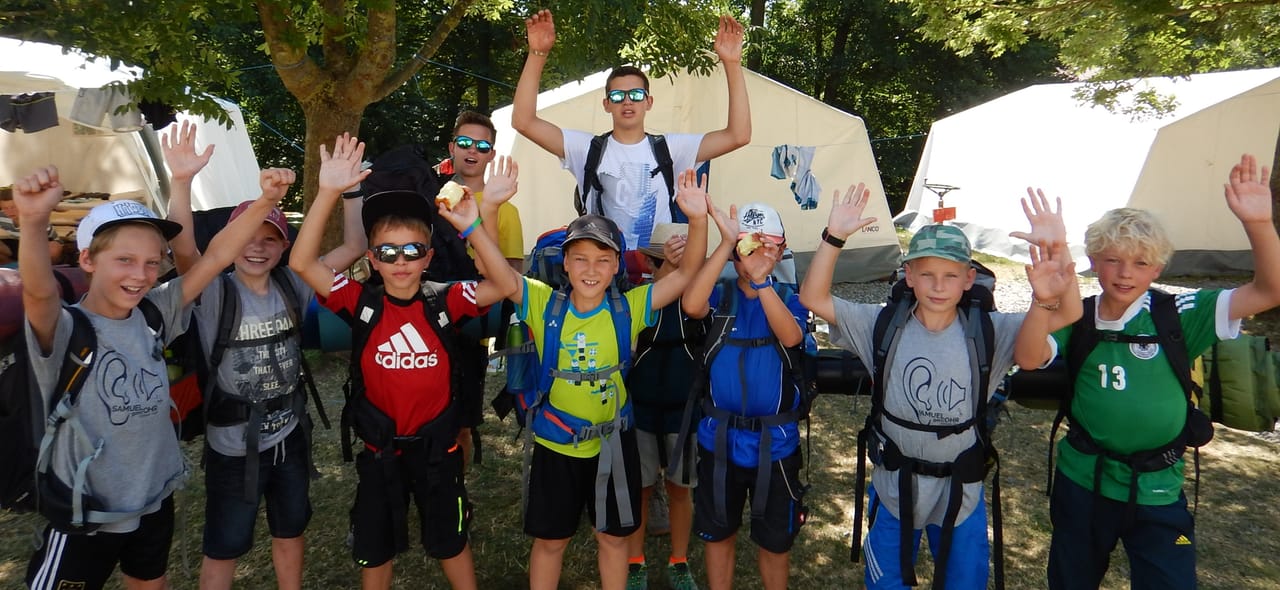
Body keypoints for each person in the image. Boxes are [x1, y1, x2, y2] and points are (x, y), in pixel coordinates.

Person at [1013, 154, 1280, 590]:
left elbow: (1270, 290)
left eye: (1141, 263)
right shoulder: (1078, 316)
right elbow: (1027, 358)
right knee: (1070, 580)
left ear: (1158, 268)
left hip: (1158, 487)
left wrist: (1259, 224)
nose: (1125, 273)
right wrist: (1044, 295)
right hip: (1083, 481)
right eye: (1113, 260)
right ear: (1093, 261)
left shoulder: (1180, 314)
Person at [16, 164, 288, 590]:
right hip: (86, 512)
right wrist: (33, 222)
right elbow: (38, 292)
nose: (140, 275)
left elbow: (216, 257)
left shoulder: (155, 312)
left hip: (153, 500)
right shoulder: (66, 329)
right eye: (124, 260)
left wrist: (267, 202)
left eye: (151, 262)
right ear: (87, 259)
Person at [800, 184, 1081, 589]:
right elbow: (813, 297)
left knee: (963, 582)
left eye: (950, 275)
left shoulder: (991, 332)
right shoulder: (880, 324)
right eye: (926, 274)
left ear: (969, 279)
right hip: (895, 487)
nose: (937, 286)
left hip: (960, 491)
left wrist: (1058, 252)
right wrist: (834, 238)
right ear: (909, 276)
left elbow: (1068, 313)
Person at [288, 135, 518, 590]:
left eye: (412, 250)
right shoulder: (359, 301)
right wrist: (329, 192)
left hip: (438, 451)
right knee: (376, 548)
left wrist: (474, 226)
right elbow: (301, 263)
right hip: (379, 451)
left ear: (428, 257)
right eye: (387, 252)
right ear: (371, 259)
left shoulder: (444, 300)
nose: (400, 261)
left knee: (451, 542)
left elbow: (505, 284)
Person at [161, 123, 368, 590]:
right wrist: (181, 181)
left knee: (290, 530)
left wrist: (348, 191)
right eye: (246, 237)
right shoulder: (212, 291)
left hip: (290, 435)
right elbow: (184, 249)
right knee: (225, 544)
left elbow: (354, 247)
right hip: (232, 445)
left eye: (270, 238)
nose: (256, 246)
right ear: (229, 242)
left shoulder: (293, 283)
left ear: (284, 246)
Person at [503, 168, 709, 590]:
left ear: (617, 265)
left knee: (613, 539)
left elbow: (687, 274)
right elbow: (499, 274)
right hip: (555, 445)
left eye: (602, 259)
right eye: (580, 258)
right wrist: (483, 214)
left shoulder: (629, 308)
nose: (591, 269)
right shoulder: (542, 303)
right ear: (565, 263)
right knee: (550, 541)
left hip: (614, 445)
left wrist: (698, 220)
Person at [511, 9, 750, 253]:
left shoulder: (670, 148)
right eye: (617, 96)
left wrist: (732, 63)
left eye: (636, 94)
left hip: (659, 265)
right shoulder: (586, 148)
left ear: (649, 102)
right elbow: (524, 122)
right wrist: (537, 54)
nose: (627, 101)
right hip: (604, 266)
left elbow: (738, 135)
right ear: (606, 104)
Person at [679, 200, 813, 590]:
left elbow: (791, 337)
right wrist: (725, 243)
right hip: (719, 442)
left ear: (782, 250)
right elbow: (691, 305)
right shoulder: (720, 296)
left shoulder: (790, 297)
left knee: (774, 542)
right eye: (746, 247)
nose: (754, 256)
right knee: (718, 534)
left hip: (776, 444)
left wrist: (762, 283)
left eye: (766, 246)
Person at [439, 110, 524, 471]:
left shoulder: (507, 210)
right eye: (465, 142)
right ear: (451, 148)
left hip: (471, 326)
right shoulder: (430, 201)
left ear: (491, 155)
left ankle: (456, 493)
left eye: (482, 145)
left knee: (462, 423)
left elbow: (513, 276)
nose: (472, 150)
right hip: (425, 318)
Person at [623, 223, 700, 590]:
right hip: (640, 409)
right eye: (664, 261)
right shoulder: (638, 299)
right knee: (639, 487)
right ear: (651, 264)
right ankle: (634, 562)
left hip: (682, 413)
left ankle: (679, 561)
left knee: (680, 489)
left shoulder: (698, 300)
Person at [0, 187, 64, 266]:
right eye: (5, 208)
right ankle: (14, 266)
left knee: (54, 248)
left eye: (13, 207)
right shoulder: (2, 216)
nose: (10, 211)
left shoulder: (35, 218)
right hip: (15, 244)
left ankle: (42, 269)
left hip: (39, 245)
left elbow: (42, 242)